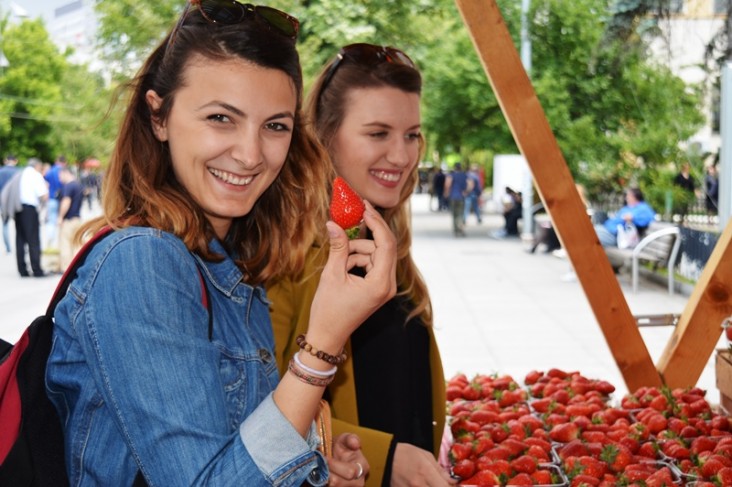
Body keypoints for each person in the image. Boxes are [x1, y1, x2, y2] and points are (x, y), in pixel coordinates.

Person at [46, 4, 397, 485]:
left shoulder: (224, 268)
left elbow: (229, 455)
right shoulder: (141, 262)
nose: (251, 154)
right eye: (220, 118)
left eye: (275, 126)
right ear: (159, 116)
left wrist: (308, 458)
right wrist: (322, 345)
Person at [268, 43, 456, 486]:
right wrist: (385, 459)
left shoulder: (388, 241)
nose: (402, 155)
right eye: (378, 133)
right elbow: (256, 410)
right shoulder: (285, 253)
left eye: (412, 135)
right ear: (324, 137)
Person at [14, 157, 49, 277]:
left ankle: (22, 270)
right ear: (37, 166)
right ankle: (36, 269)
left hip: (18, 208)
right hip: (30, 209)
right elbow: (43, 195)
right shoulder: (36, 175)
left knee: (20, 239)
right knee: (33, 240)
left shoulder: (20, 173)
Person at [56, 166, 85, 272]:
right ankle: (76, 268)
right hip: (77, 219)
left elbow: (66, 202)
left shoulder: (68, 186)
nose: (59, 179)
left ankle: (66, 269)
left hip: (68, 220)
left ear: (65, 173)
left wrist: (60, 217)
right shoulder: (79, 185)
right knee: (76, 245)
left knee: (65, 245)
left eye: (60, 176)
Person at [43, 154, 66, 249]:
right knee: (61, 220)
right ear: (64, 162)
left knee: (51, 220)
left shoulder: (51, 171)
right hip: (62, 198)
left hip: (52, 198)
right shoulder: (63, 171)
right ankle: (58, 242)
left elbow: (45, 181)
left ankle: (50, 240)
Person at [444, 162, 472, 237]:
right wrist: (466, 192)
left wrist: (446, 192)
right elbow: (470, 185)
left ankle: (456, 229)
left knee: (454, 214)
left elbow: (447, 184)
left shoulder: (451, 175)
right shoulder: (465, 175)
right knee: (460, 214)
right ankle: (460, 229)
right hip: (461, 197)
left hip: (453, 196)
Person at [0, 154, 20, 254]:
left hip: (2, 201)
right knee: (19, 224)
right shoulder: (18, 172)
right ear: (15, 161)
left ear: (5, 160)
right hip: (15, 200)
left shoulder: (1, 171)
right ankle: (19, 246)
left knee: (5, 224)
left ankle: (8, 248)